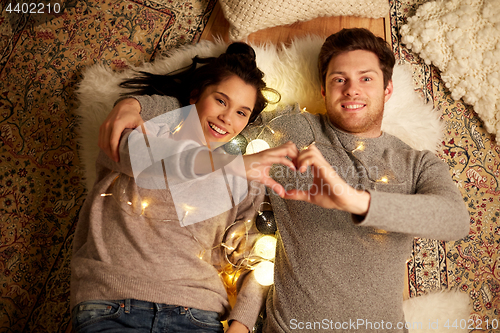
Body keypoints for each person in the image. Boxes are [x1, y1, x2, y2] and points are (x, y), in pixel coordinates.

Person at [100, 29, 470, 332]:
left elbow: (455, 220)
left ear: (387, 89)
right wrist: (140, 105)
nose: (352, 90)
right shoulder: (292, 131)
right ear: (324, 90)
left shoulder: (417, 163)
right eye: (339, 79)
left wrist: (351, 199)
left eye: (366, 79)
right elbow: (217, 118)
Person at [71, 42, 297, 333]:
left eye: (242, 112)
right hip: (111, 306)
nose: (227, 118)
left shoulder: (247, 178)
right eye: (221, 100)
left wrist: (241, 324)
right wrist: (234, 165)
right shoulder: (143, 132)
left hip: (197, 315)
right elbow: (169, 162)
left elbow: (253, 257)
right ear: (195, 96)